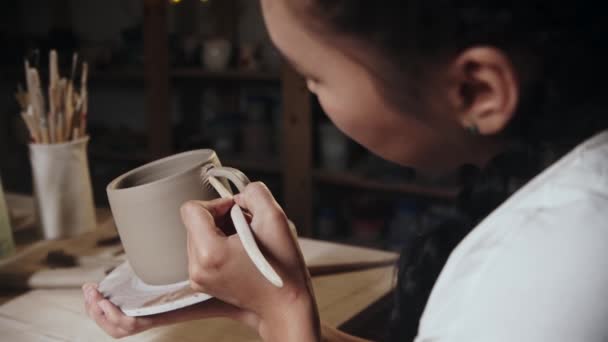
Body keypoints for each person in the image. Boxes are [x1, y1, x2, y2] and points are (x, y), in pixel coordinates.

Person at [83, 1, 608, 341]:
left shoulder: (554, 265)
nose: (312, 96)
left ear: (479, 91)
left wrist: (285, 308)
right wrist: (264, 307)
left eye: (315, 76)